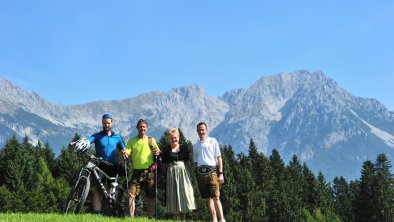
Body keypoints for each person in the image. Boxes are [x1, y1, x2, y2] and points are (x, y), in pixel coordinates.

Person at [69, 113, 128, 214]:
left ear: (111, 123)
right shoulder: (97, 135)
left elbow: (123, 149)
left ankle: (114, 209)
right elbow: (87, 140)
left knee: (112, 190)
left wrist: (124, 153)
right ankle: (97, 213)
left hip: (112, 166)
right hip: (100, 165)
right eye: (104, 123)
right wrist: (75, 143)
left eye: (108, 123)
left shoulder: (117, 137)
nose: (106, 125)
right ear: (102, 123)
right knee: (97, 189)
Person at [125, 119, 161, 218]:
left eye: (144, 127)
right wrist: (125, 154)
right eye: (140, 126)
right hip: (136, 172)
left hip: (149, 172)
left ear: (147, 128)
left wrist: (157, 152)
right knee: (131, 195)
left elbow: (158, 151)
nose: (142, 128)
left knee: (151, 197)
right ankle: (131, 218)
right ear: (137, 128)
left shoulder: (151, 140)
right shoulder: (132, 141)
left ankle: (150, 217)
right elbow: (127, 151)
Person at [193, 122, 225, 222]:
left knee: (216, 196)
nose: (201, 131)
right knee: (208, 198)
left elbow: (219, 158)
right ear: (197, 131)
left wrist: (220, 173)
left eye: (203, 129)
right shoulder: (195, 145)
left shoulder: (213, 141)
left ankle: (222, 219)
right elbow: (196, 161)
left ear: (206, 130)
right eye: (199, 130)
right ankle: (214, 220)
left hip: (212, 172)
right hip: (200, 173)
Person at [161, 128, 196, 220]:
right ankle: (177, 219)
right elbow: (164, 164)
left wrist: (188, 174)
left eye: (175, 137)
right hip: (171, 174)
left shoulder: (184, 148)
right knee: (174, 195)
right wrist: (167, 175)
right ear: (168, 138)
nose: (174, 139)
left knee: (184, 194)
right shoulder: (166, 150)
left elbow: (187, 162)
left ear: (179, 137)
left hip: (183, 174)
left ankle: (183, 219)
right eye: (171, 138)